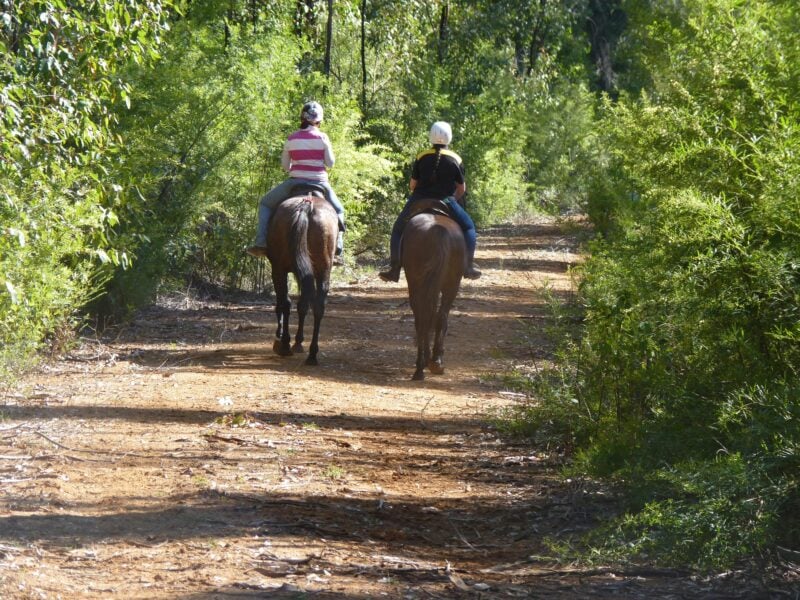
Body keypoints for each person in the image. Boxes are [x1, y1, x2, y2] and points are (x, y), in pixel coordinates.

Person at [378, 121, 481, 282]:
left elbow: (412, 185)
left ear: (431, 136)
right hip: (446, 201)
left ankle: (394, 268)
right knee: (468, 227)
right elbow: (461, 189)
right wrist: (452, 199)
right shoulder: (456, 159)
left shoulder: (421, 156)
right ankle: (467, 266)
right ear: (449, 137)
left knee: (398, 229)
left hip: (419, 199)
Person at [246, 101, 345, 259]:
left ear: (302, 118)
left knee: (265, 203)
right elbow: (330, 163)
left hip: (295, 182)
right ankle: (338, 248)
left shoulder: (291, 139)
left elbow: (285, 166)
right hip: (320, 183)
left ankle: (261, 242)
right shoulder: (323, 137)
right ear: (319, 119)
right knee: (339, 210)